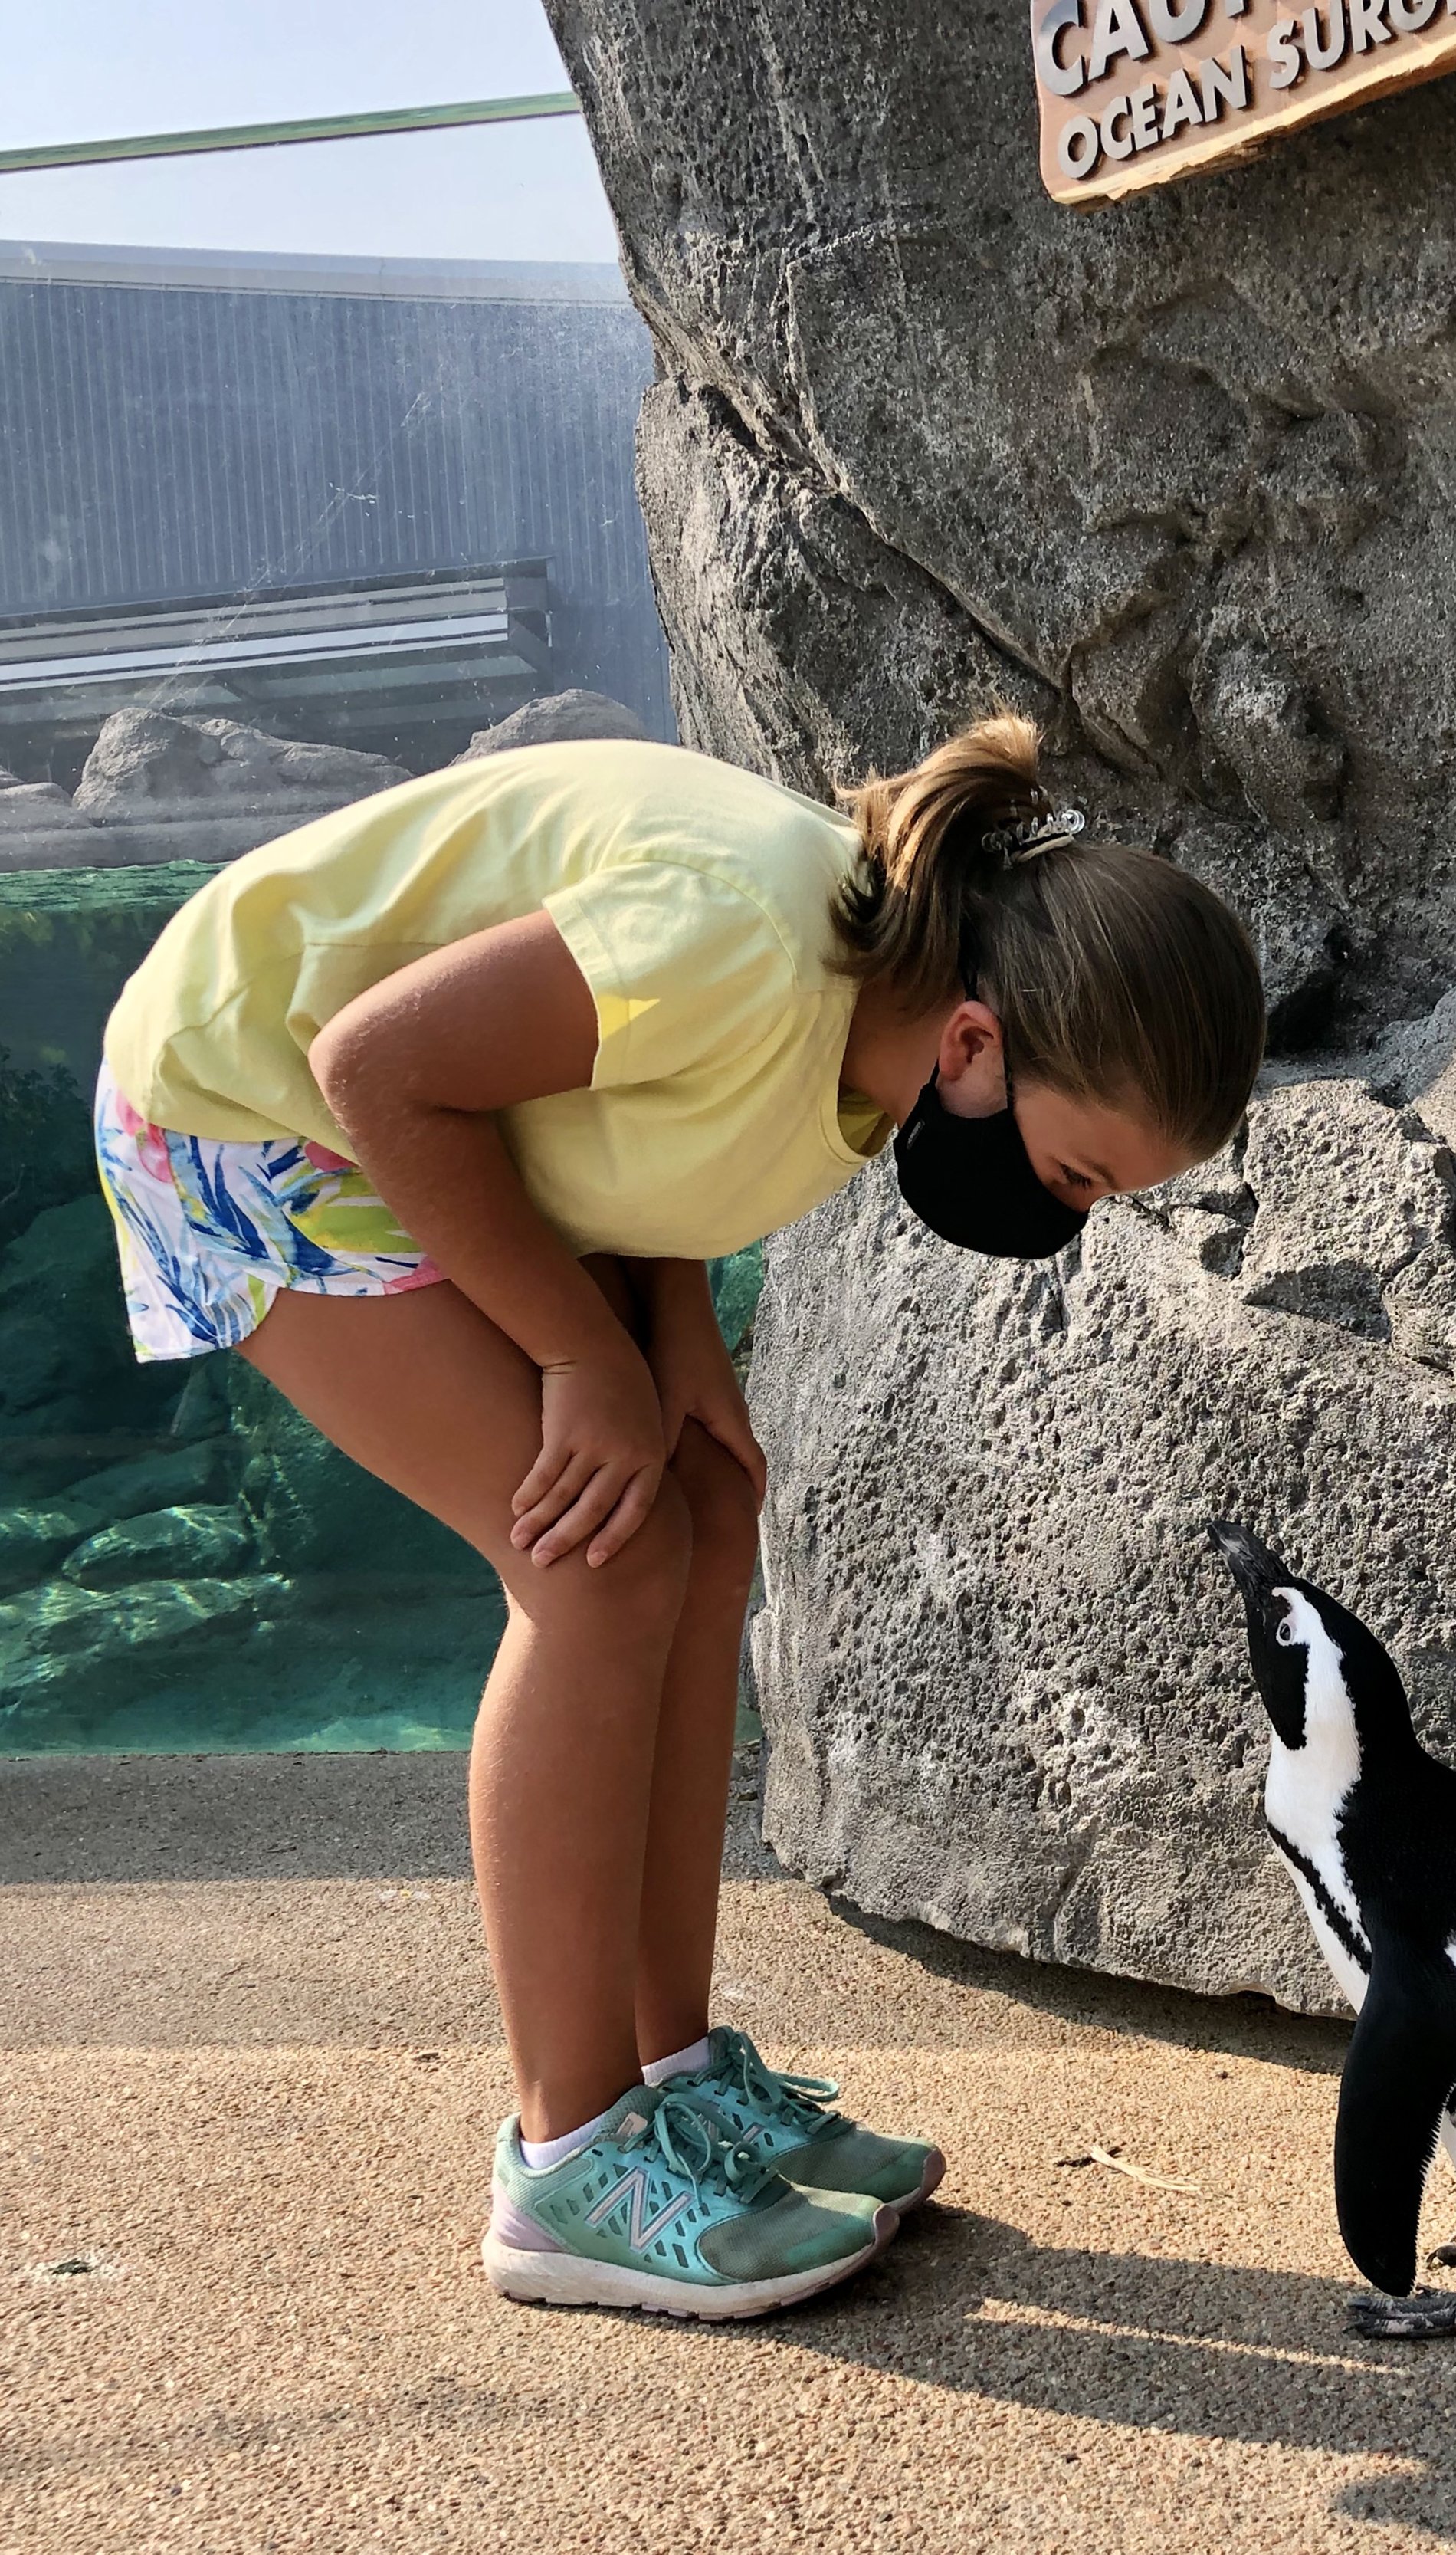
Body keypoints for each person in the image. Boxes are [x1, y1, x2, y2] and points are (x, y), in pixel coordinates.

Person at [96, 710, 1267, 2318]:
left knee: (703, 1498)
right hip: (247, 1106)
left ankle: (669, 2075)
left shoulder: (887, 1010)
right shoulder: (747, 939)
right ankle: (566, 2159)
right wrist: (583, 1353)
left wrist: (674, 1334)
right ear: (978, 1049)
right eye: (1074, 1176)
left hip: (418, 1125)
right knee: (595, 1561)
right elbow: (376, 1060)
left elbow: (612, 1117)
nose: (1064, 1214)